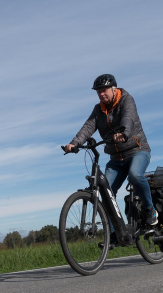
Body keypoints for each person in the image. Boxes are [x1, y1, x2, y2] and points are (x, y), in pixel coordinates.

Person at [64, 74, 157, 245]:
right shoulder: (98, 109)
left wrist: (124, 133)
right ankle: (115, 234)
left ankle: (150, 210)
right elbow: (88, 127)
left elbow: (128, 118)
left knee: (135, 176)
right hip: (116, 159)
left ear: (114, 89)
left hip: (137, 151)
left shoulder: (126, 100)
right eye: (98, 92)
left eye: (104, 90)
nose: (101, 94)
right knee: (106, 194)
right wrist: (74, 143)